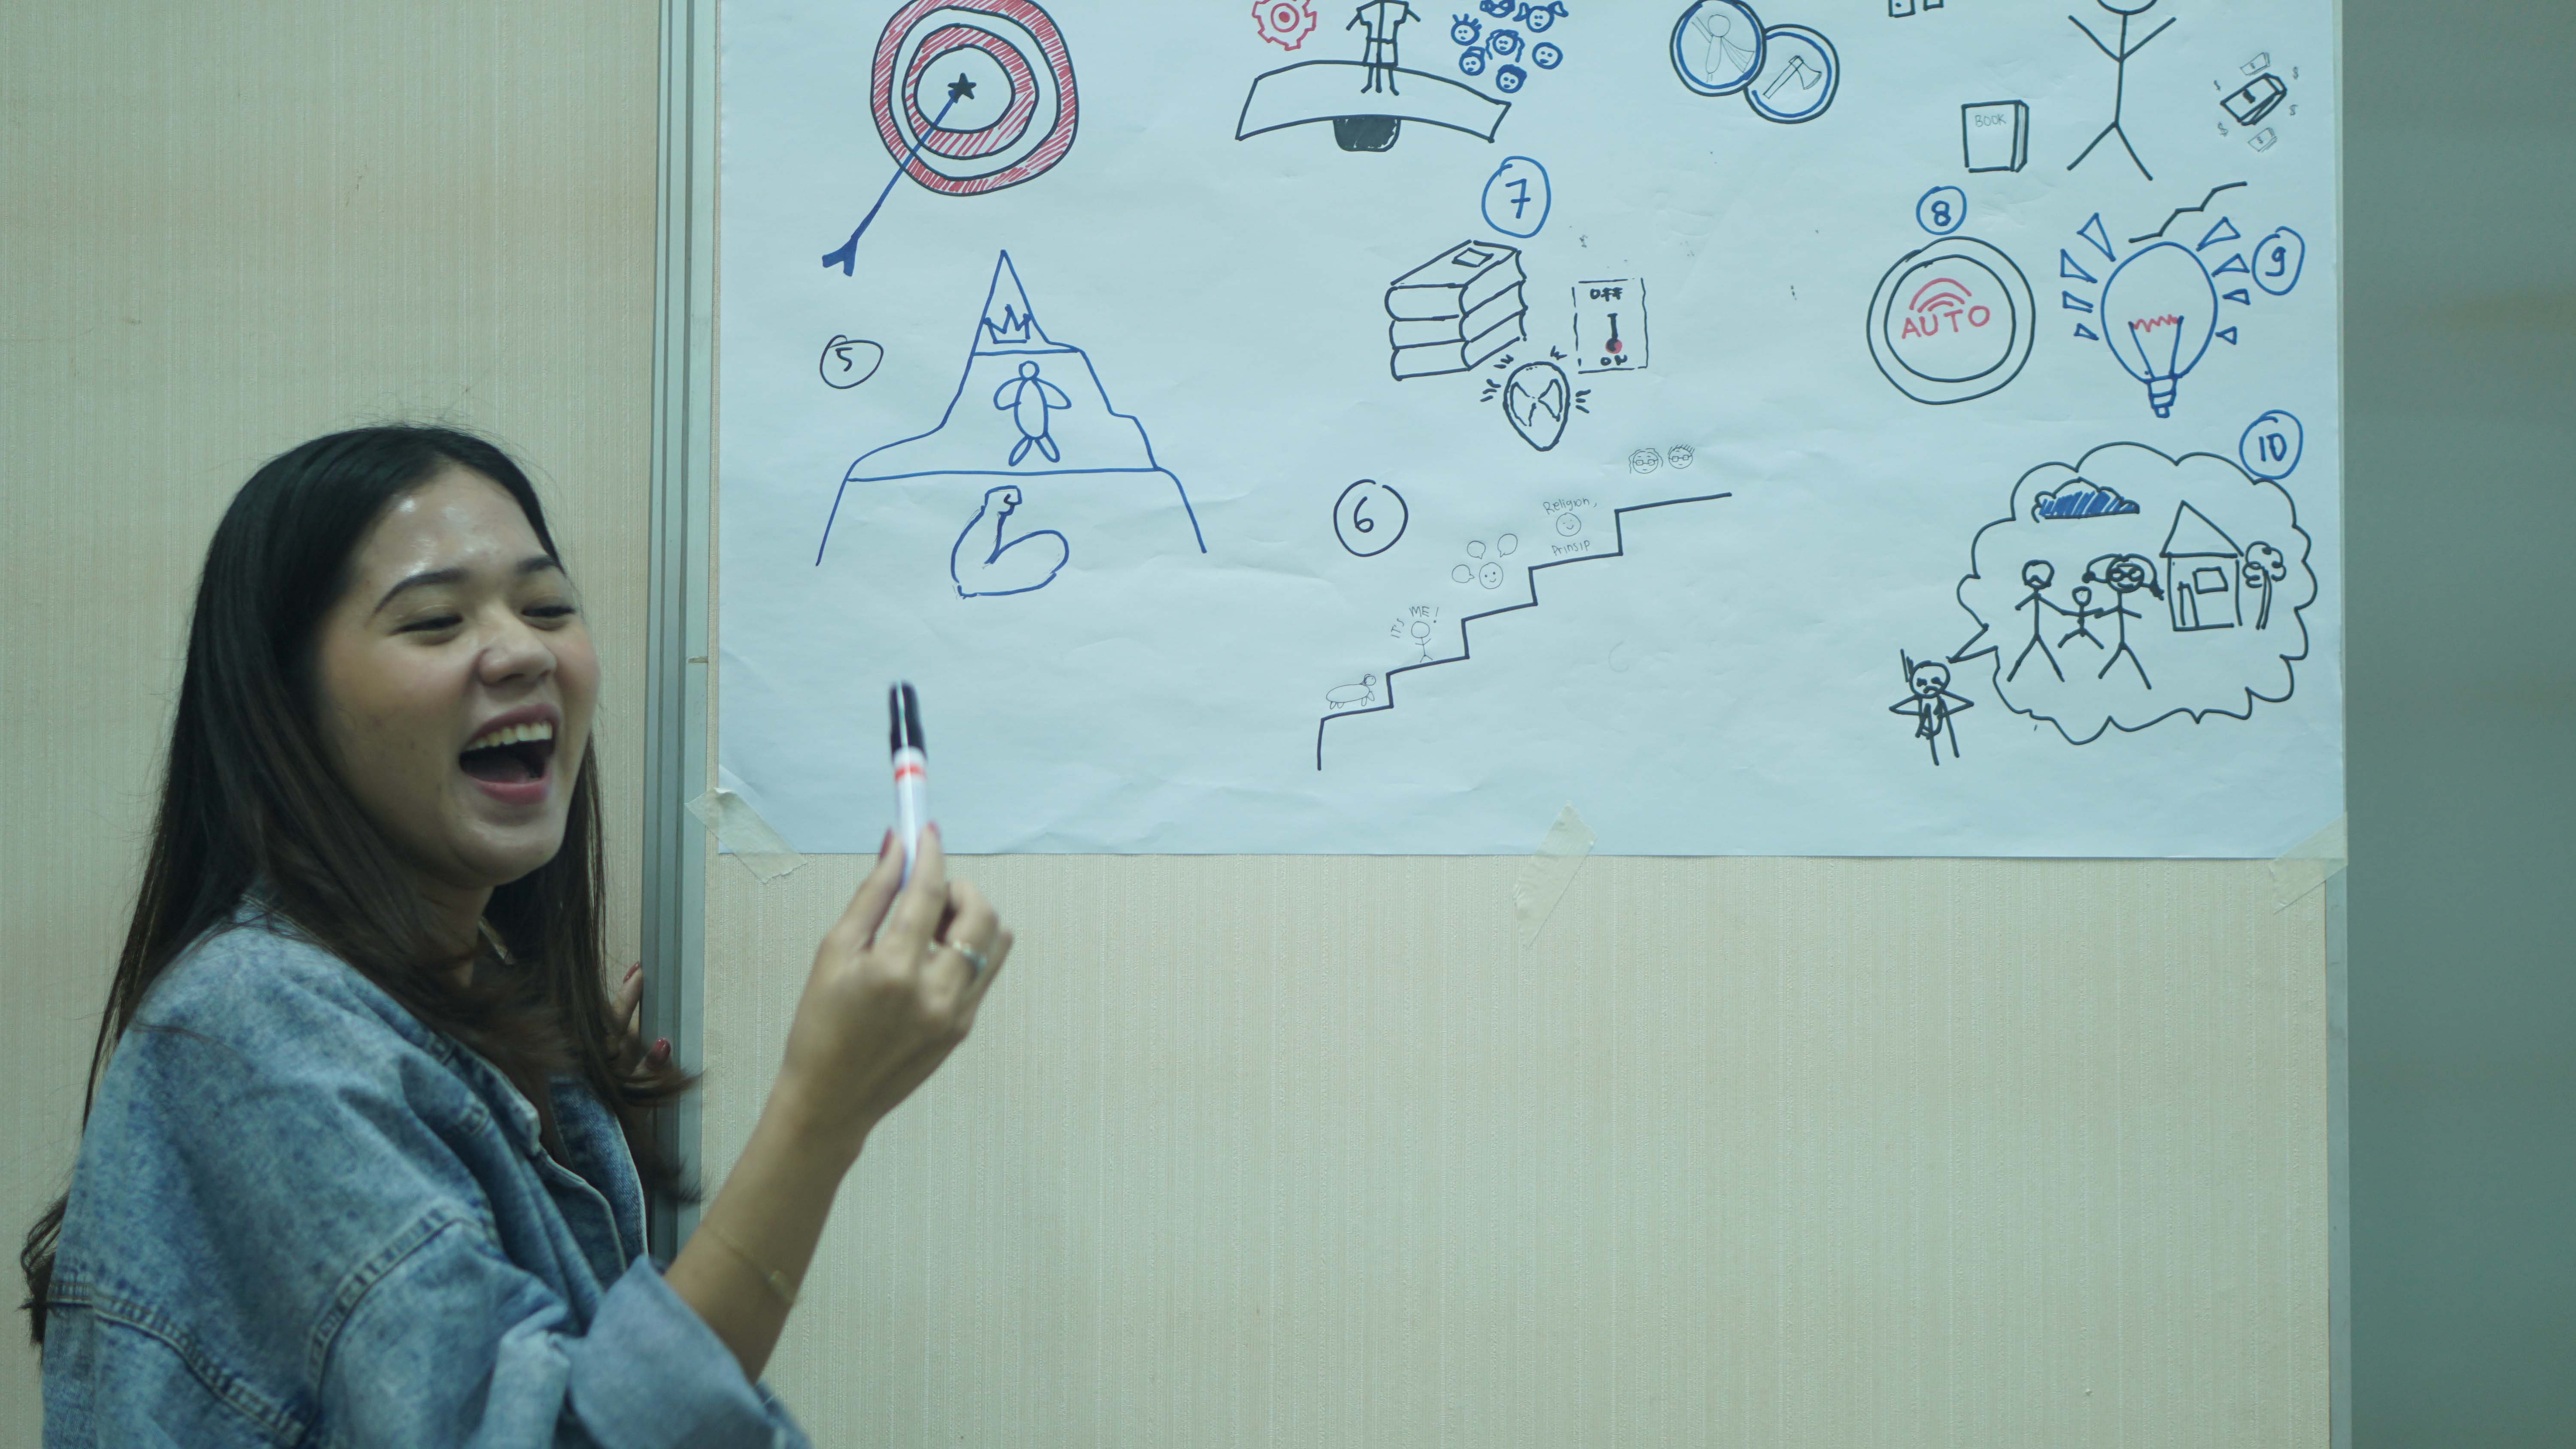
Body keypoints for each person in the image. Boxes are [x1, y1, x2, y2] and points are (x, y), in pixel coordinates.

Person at [18, 426, 1013, 1445]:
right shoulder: (252, 1031)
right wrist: (822, 1110)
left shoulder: (478, 1012)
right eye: (435, 620)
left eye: (547, 607)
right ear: (285, 703)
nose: (525, 651)